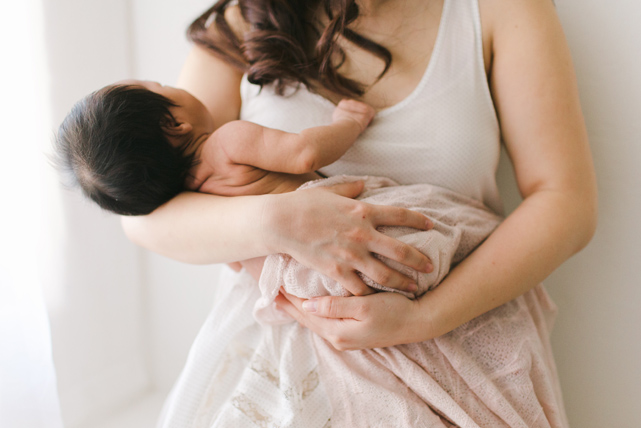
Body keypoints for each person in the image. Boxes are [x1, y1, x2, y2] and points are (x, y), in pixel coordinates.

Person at [121, 0, 597, 426]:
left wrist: (423, 319)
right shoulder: (240, 20)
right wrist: (283, 222)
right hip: (284, 358)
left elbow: (566, 202)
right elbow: (145, 216)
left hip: (459, 324)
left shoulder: (500, 9)